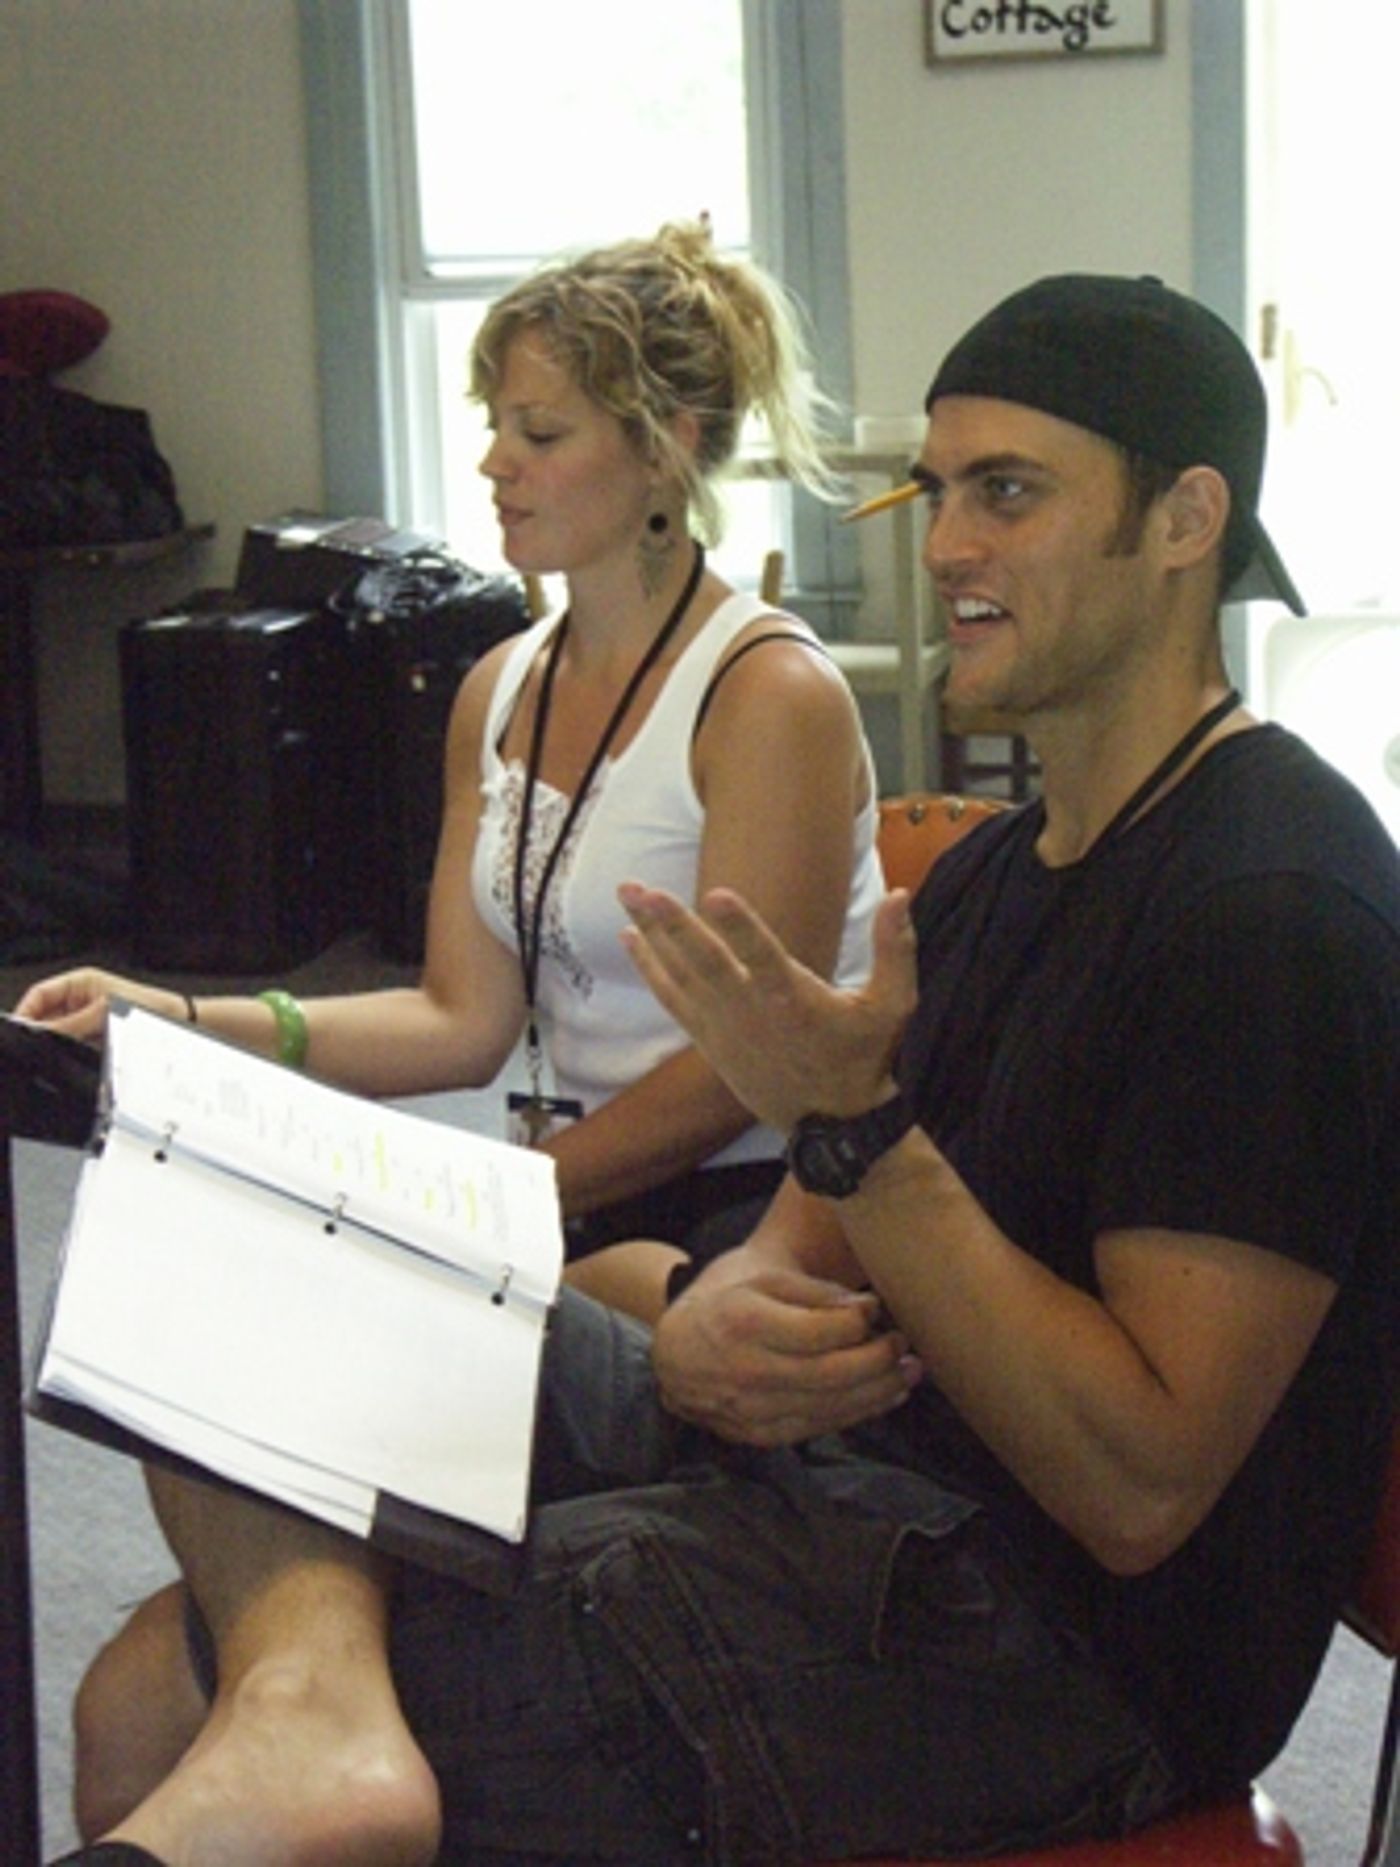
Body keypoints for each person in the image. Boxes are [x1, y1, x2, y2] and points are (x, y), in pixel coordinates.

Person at [46, 274, 1400, 1867]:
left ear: (1185, 521)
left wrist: (852, 1125)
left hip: (1049, 1649)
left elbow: (1139, 1489)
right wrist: (717, 1318)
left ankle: (309, 1712)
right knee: (244, 1257)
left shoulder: (1271, 906)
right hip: (859, 1476)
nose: (946, 545)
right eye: (940, 492)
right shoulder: (994, 875)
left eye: (1009, 492)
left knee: (152, 1692)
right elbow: (798, 1246)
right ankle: (313, 1708)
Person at [18, 220, 883, 1300]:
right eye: (493, 424)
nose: (493, 461)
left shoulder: (765, 694)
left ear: (666, 445)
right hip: (579, 1184)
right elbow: (459, 1022)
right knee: (224, 1295)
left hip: (758, 1203)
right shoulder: (500, 688)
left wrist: (491, 1198)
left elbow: (742, 1072)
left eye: (540, 432)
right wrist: (176, 1019)